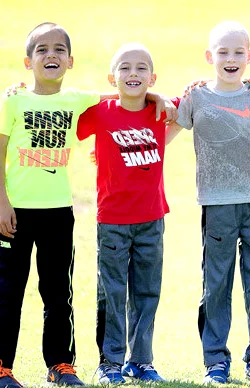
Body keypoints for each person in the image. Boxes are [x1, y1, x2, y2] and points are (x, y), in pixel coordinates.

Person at [167, 21, 250, 384]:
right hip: (216, 204)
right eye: (223, 52)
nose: (231, 59)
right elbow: (163, 130)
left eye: (238, 52)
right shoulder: (196, 97)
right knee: (216, 283)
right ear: (209, 56)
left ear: (249, 57)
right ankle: (215, 359)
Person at [0, 23, 101, 388]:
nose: (51, 55)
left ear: (70, 60)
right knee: (7, 290)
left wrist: (162, 98)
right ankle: (2, 367)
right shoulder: (13, 100)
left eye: (59, 49)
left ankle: (60, 364)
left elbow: (123, 94)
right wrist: (1, 202)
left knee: (58, 291)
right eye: (41, 49)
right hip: (14, 211)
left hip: (58, 211)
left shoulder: (75, 99)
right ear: (28, 61)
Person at [76, 43, 178, 385]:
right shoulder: (101, 112)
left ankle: (142, 361)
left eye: (141, 68)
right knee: (113, 292)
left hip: (151, 219)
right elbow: (68, 112)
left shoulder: (161, 111)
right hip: (113, 221)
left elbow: (186, 105)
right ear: (112, 76)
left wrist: (157, 96)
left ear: (153, 77)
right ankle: (109, 363)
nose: (133, 73)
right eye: (125, 68)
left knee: (147, 293)